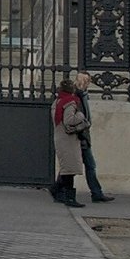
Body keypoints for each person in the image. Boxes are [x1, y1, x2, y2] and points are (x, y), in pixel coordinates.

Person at [69, 70, 113, 203]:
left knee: (79, 165)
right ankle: (96, 193)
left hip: (83, 136)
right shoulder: (76, 96)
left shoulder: (83, 95)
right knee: (84, 165)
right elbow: (76, 117)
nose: (88, 83)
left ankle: (96, 192)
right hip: (79, 136)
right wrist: (84, 126)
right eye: (86, 80)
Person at [51, 74, 89, 207]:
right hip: (68, 139)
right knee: (69, 170)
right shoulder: (70, 102)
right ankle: (69, 198)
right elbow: (69, 121)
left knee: (66, 168)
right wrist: (80, 116)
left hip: (60, 137)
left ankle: (57, 191)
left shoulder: (57, 101)